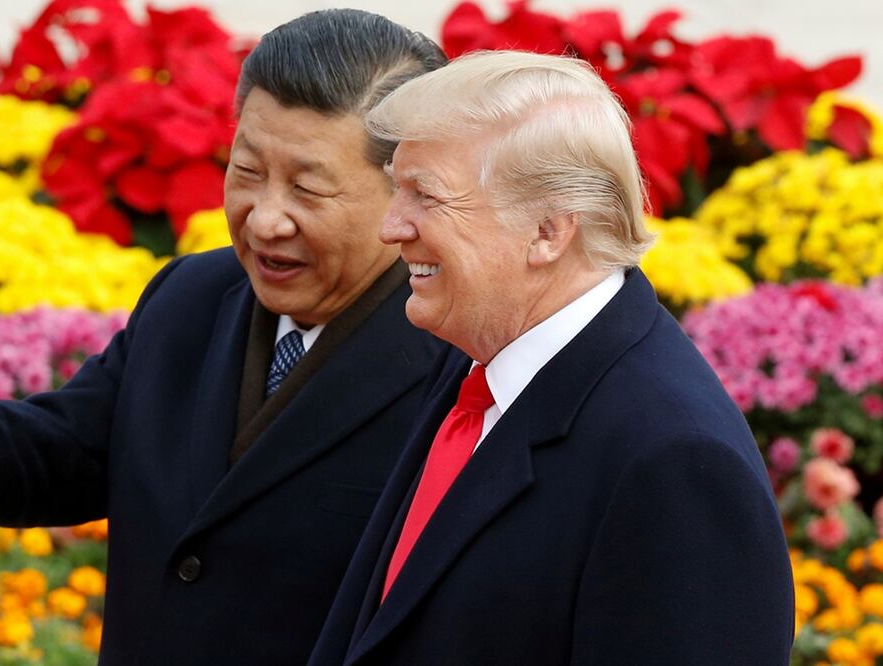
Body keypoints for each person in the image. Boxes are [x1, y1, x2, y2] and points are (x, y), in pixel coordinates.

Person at [0, 10, 447, 665]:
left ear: (405, 189)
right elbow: (75, 451)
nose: (266, 218)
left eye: (307, 188)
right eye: (246, 172)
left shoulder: (455, 352)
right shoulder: (192, 296)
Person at [307, 50, 795, 665]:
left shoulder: (675, 462)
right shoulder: (481, 355)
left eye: (424, 196)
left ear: (547, 231)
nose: (391, 226)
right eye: (396, 189)